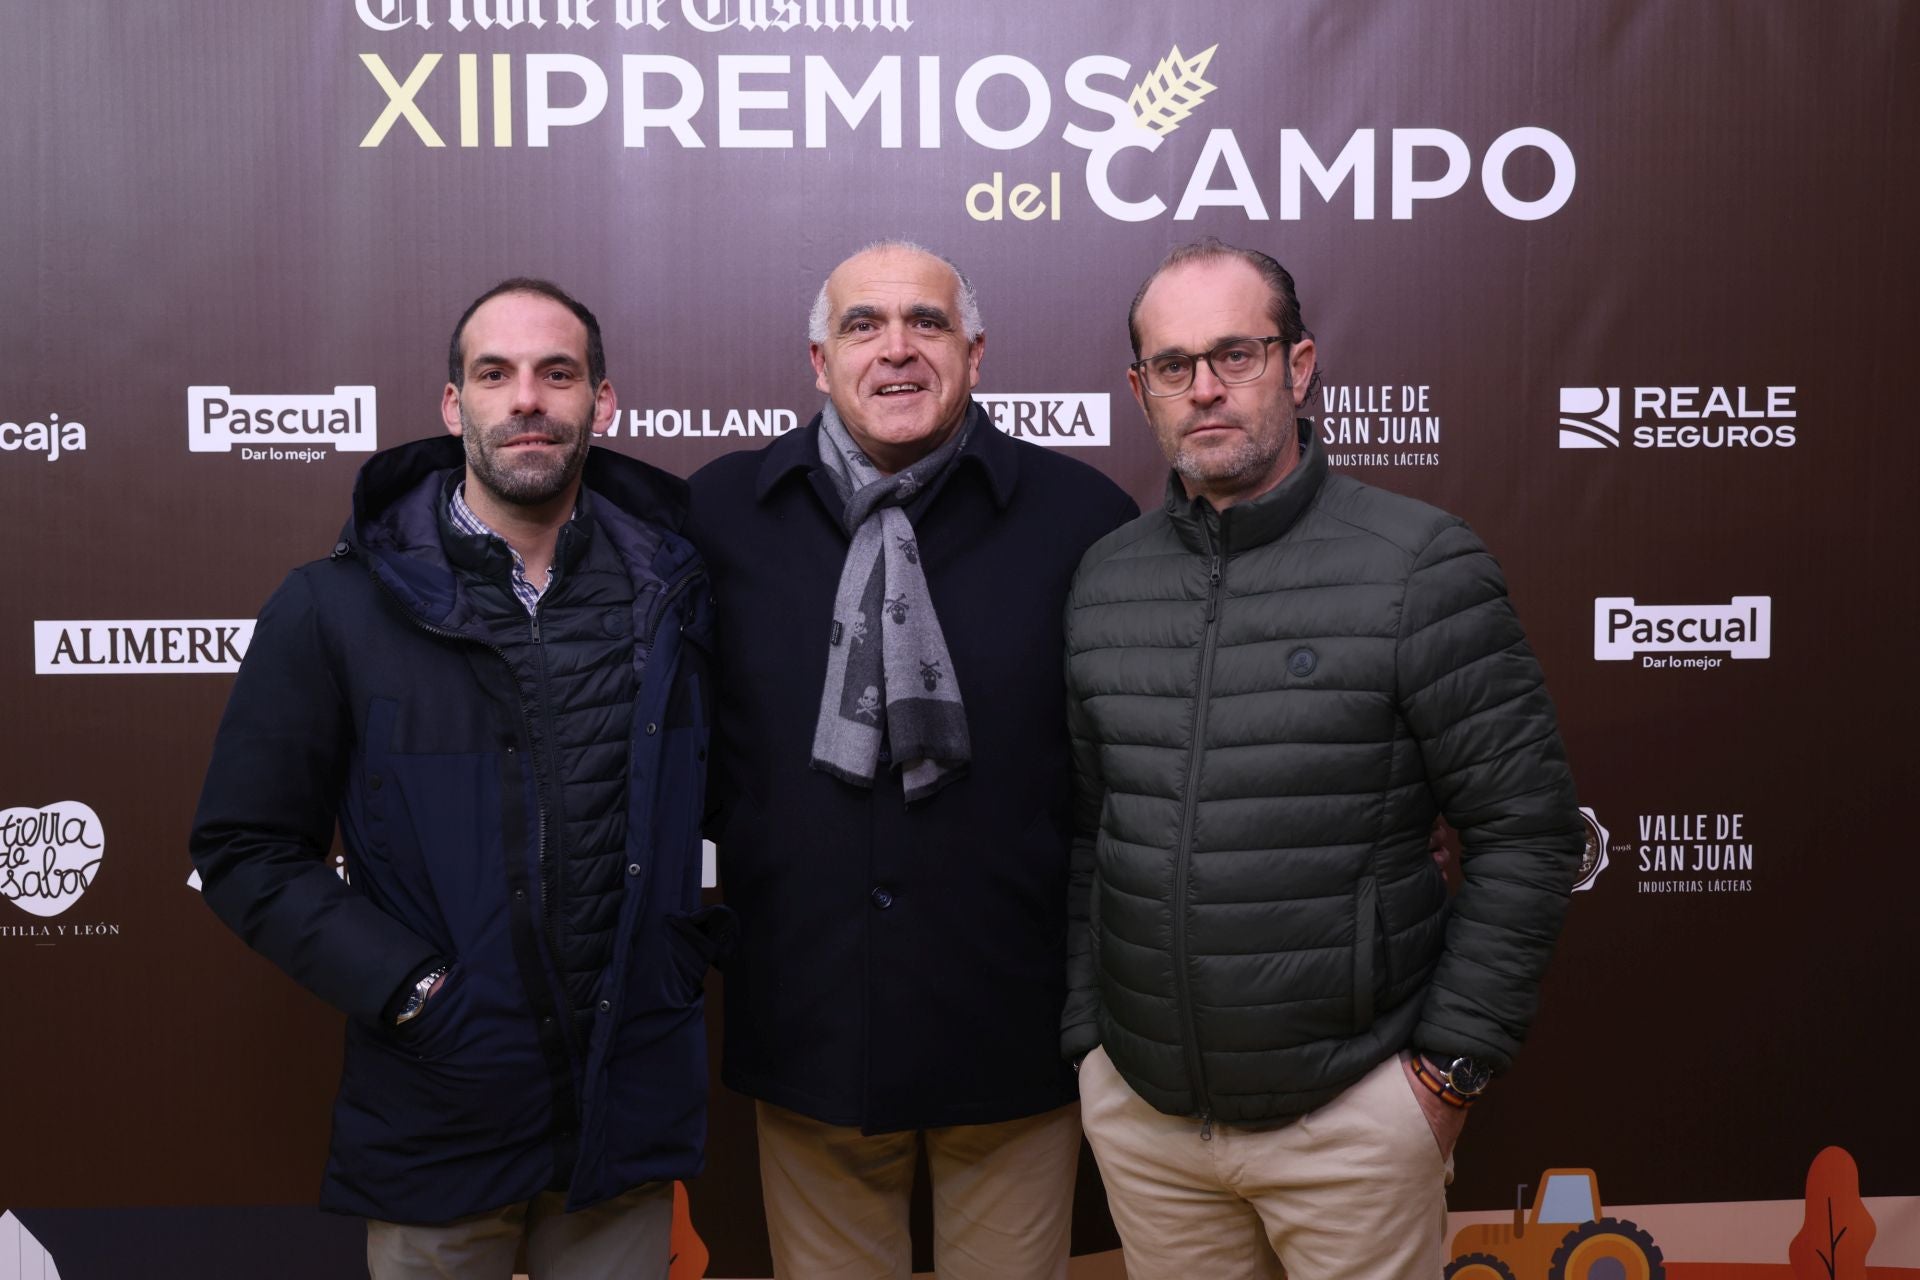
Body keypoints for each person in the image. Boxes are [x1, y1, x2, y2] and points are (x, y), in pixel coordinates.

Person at [1061, 239, 1584, 1279]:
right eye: (1172, 364)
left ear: (1299, 368)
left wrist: (1443, 1078)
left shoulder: (1419, 563)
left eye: (1235, 354)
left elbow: (1528, 829)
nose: (1204, 387)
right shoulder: (1106, 578)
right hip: (1149, 1119)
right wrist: (1093, 1043)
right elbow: (1092, 827)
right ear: (1140, 388)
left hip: (1351, 1119)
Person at [190, 279, 730, 1279]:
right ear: (454, 407)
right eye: (496, 373)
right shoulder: (333, 607)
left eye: (556, 373)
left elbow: (751, 797)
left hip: (624, 1123)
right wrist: (412, 989)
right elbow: (243, 850)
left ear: (601, 404)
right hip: (437, 1113)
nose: (527, 397)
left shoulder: (681, 595)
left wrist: (678, 955)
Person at [686, 241, 1137, 1280]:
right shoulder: (718, 517)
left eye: (927, 323)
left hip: (1013, 1033)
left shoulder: (1084, 521)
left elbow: (1119, 775)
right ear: (817, 359)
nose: (897, 348)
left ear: (976, 352)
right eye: (863, 324)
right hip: (807, 1024)